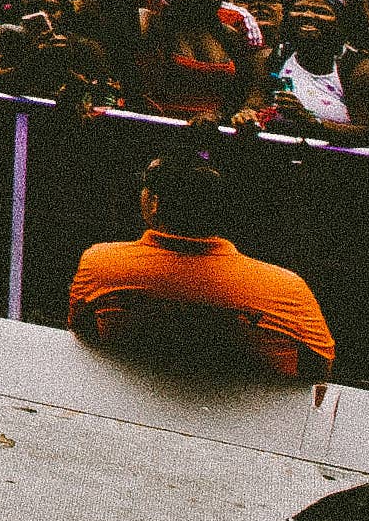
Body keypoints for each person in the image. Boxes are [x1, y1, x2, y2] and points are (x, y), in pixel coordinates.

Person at [66, 148, 336, 381]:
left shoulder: (102, 264)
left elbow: (82, 336)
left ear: (155, 203)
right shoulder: (285, 288)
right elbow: (319, 369)